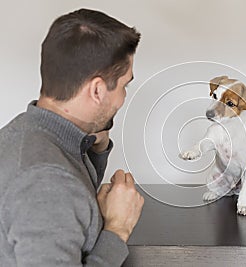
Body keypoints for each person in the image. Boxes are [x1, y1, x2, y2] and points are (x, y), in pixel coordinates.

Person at [0, 9, 144, 266]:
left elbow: (71, 207)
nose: (123, 98)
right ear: (98, 90)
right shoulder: (47, 182)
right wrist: (118, 230)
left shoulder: (24, 133)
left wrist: (95, 150)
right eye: (124, 85)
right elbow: (59, 192)